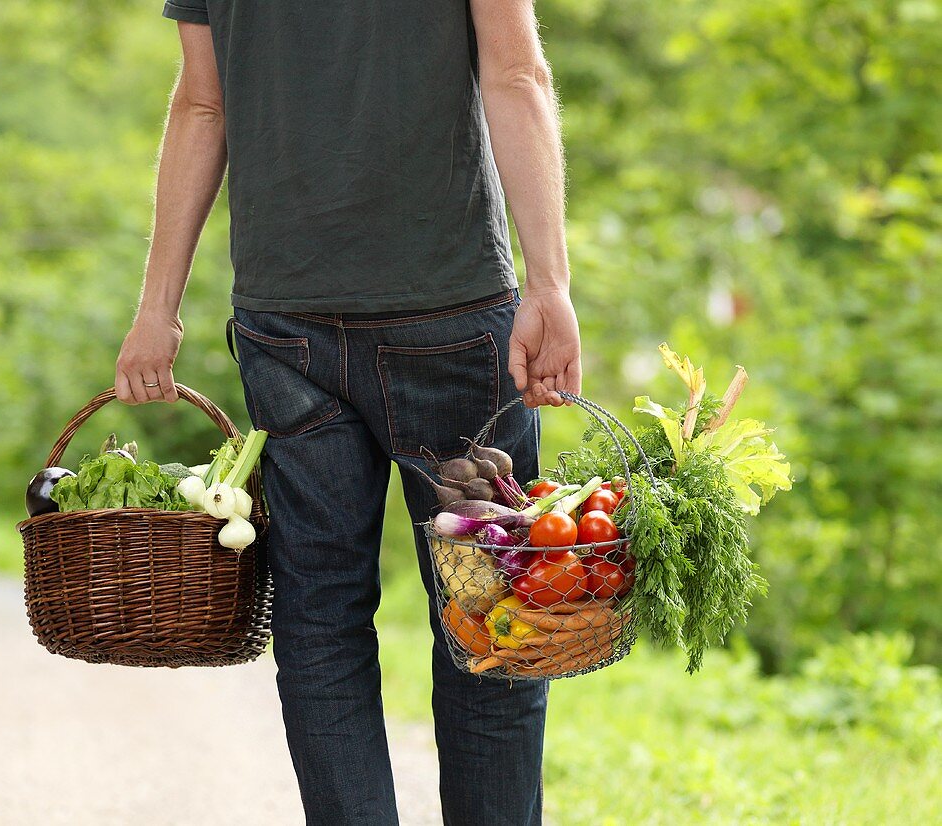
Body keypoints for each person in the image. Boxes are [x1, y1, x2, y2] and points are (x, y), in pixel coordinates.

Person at [115, 1, 582, 823]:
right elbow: (517, 73)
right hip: (450, 310)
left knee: (321, 619)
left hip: (285, 320)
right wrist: (549, 284)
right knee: (489, 617)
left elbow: (201, 103)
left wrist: (159, 307)